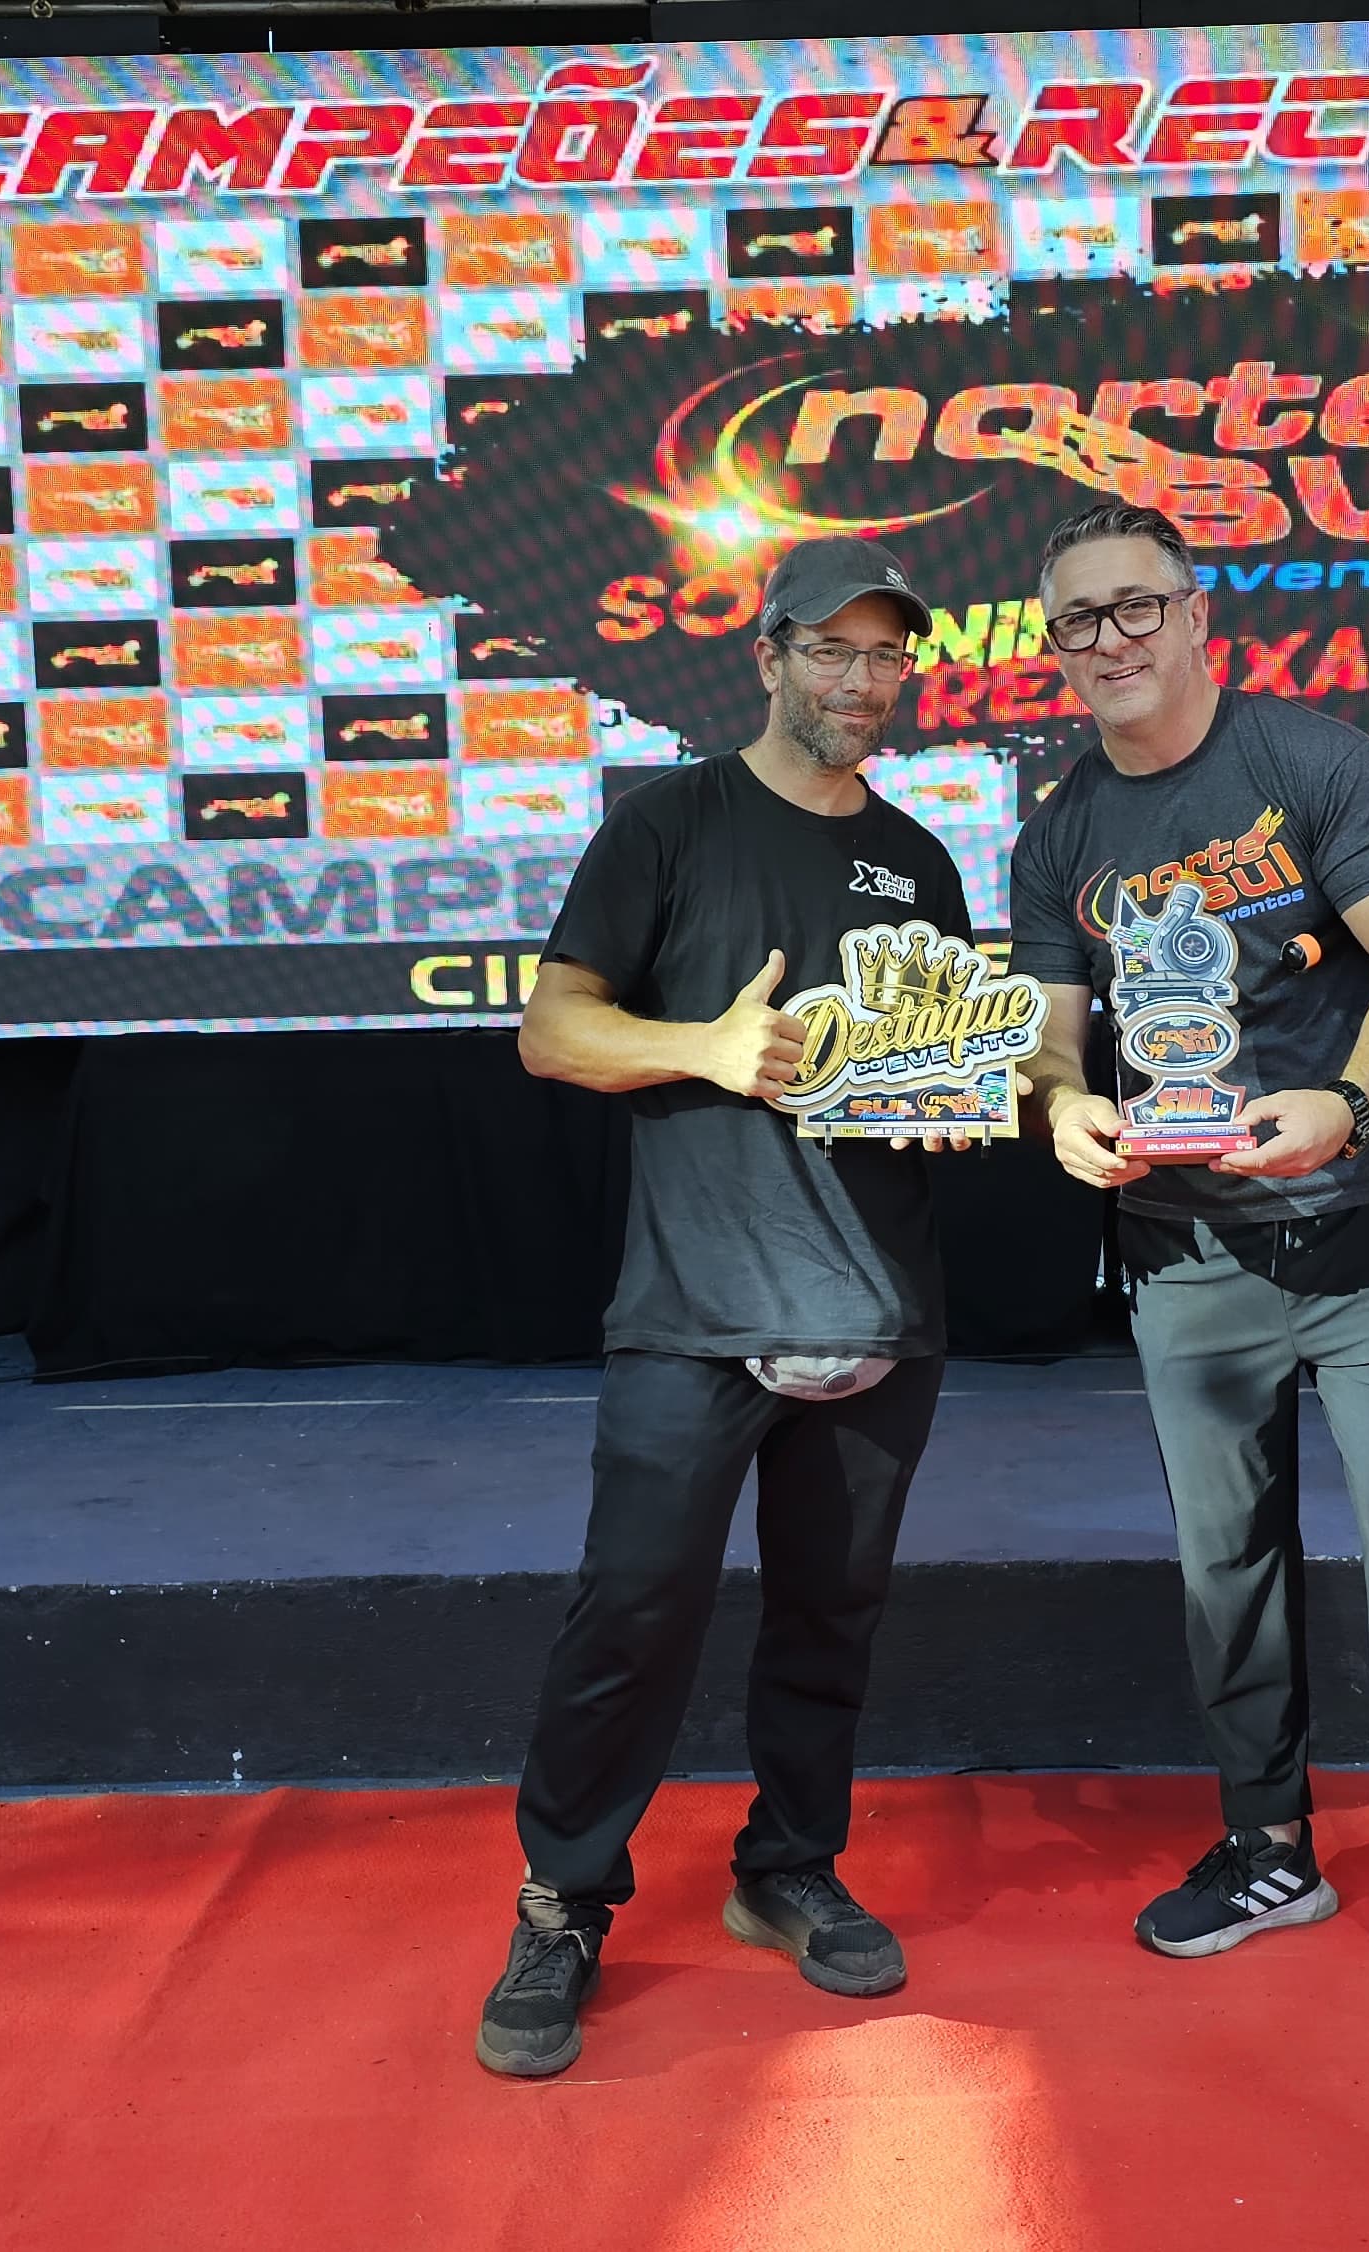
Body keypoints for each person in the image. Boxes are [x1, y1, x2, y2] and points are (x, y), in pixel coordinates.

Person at [1006, 501, 1369, 2034]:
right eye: (1078, 619)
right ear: (1056, 649)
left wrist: (1349, 1104)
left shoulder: (1310, 760)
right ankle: (1267, 1848)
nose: (1109, 639)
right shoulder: (1058, 830)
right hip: (1184, 1253)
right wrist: (1064, 1107)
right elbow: (1050, 1034)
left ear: (1195, 615)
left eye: (1135, 607)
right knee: (1223, 1565)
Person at [479, 534, 973, 2077]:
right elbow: (552, 1033)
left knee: (833, 1611)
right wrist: (702, 1047)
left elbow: (933, 1061)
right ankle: (564, 1899)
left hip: (878, 1305)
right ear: (768, 658)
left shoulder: (920, 861)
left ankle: (788, 1867)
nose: (862, 680)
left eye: (887, 655)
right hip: (695, 1306)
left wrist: (954, 1099)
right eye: (832, 650)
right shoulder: (667, 823)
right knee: (633, 1609)